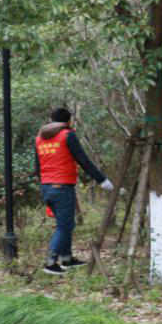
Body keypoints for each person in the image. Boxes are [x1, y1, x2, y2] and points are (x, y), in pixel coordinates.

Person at [34, 107, 113, 275]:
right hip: (61, 187)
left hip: (46, 186)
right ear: (68, 121)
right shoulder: (67, 135)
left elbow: (37, 167)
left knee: (66, 224)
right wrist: (102, 180)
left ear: (51, 120)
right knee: (65, 225)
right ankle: (50, 262)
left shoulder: (39, 139)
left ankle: (66, 258)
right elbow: (83, 160)